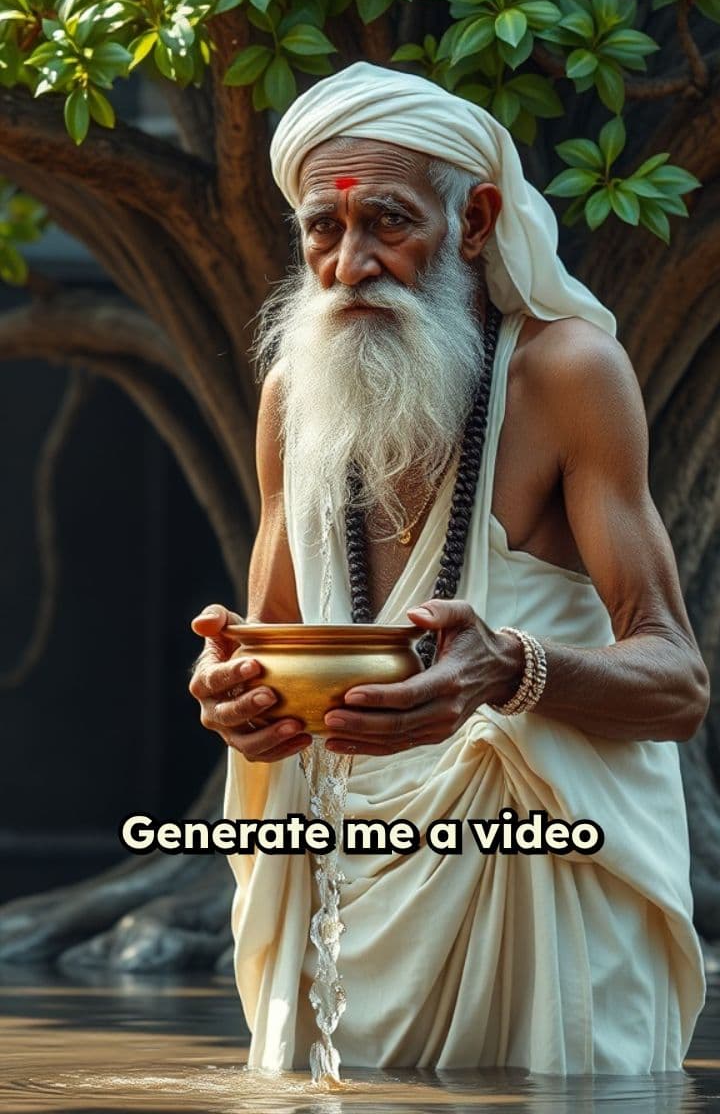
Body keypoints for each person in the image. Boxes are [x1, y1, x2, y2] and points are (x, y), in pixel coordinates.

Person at [189, 62, 708, 1074]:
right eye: (324, 231)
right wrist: (232, 694)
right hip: (350, 894)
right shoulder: (293, 396)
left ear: (473, 221)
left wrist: (510, 667)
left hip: (544, 909)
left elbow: (679, 681)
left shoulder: (567, 374)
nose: (351, 264)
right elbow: (272, 645)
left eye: (388, 222)